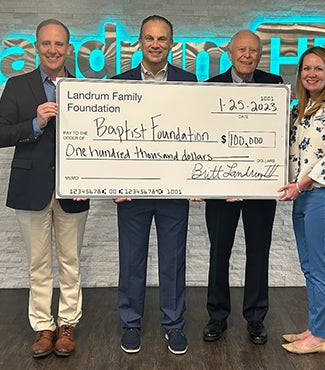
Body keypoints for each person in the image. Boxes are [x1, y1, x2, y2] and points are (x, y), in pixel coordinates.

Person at [0, 19, 89, 358]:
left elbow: (97, 141)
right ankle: (43, 327)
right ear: (36, 47)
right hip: (31, 188)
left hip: (73, 191)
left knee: (70, 261)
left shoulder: (84, 89)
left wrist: (88, 179)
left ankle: (67, 324)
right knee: (38, 263)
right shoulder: (17, 86)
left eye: (59, 44)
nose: (53, 50)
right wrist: (36, 123)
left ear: (68, 48)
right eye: (46, 44)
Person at [111, 15, 197, 355]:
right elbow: (109, 137)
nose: (156, 44)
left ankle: (174, 325)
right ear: (140, 42)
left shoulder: (189, 82)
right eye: (150, 38)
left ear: (172, 44)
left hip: (174, 192)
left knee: (173, 260)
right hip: (132, 192)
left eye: (162, 39)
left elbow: (197, 133)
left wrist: (195, 177)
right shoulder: (119, 82)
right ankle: (130, 323)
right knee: (131, 259)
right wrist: (111, 184)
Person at [202, 30, 283, 345]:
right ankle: (217, 316)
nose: (248, 55)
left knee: (258, 252)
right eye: (242, 50)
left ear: (260, 55)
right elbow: (203, 137)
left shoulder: (274, 85)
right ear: (230, 53)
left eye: (253, 50)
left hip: (261, 188)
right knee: (219, 251)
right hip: (221, 189)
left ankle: (256, 318)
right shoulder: (211, 88)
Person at [277, 46, 325, 354]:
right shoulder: (297, 111)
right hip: (301, 199)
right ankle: (314, 327)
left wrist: (301, 183)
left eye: (318, 68)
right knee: (309, 266)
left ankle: (320, 336)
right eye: (306, 68)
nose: (311, 74)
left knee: (319, 267)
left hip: (320, 197)